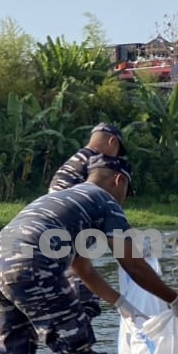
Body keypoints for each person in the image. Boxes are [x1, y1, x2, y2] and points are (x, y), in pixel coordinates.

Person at [0, 155, 178, 354]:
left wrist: (121, 304)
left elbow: (82, 268)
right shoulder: (105, 201)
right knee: (76, 350)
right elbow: (134, 266)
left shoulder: (71, 199)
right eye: (127, 192)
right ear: (119, 180)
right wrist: (175, 300)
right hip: (33, 264)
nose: (125, 199)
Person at [48, 123, 129, 320]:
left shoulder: (77, 159)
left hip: (56, 236)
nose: (116, 157)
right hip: (67, 237)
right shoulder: (96, 161)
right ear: (112, 141)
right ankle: (80, 344)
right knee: (85, 299)